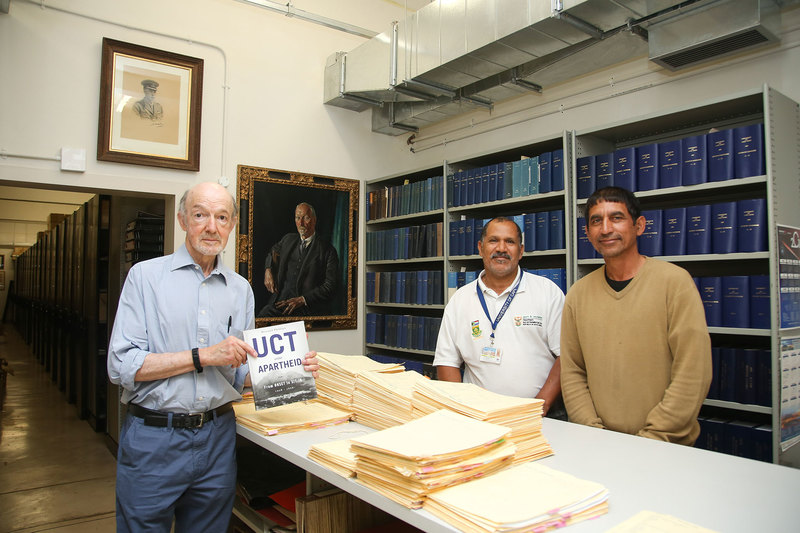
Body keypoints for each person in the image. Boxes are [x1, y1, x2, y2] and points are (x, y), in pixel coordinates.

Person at [107, 182, 320, 533]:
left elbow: (237, 374)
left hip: (218, 438)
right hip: (154, 438)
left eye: (221, 217)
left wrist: (291, 369)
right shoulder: (144, 278)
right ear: (182, 220)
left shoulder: (240, 290)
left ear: (232, 224)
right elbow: (121, 366)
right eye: (200, 215)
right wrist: (202, 356)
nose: (211, 226)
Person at [560, 186, 712, 446]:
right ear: (587, 233)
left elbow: (693, 372)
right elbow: (573, 371)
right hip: (599, 444)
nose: (606, 228)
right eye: (596, 220)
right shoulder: (578, 294)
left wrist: (651, 439)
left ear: (639, 225)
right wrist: (592, 432)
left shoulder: (674, 282)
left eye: (616, 218)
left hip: (664, 446)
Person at [433, 216, 565, 416]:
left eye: (510, 242)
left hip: (537, 415)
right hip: (477, 416)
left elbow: (566, 356)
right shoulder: (460, 299)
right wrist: (460, 410)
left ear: (521, 251)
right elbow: (447, 361)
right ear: (480, 248)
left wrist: (540, 406)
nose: (501, 248)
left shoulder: (547, 292)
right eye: (493, 240)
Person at [258, 202, 338, 317]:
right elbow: (273, 252)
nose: (301, 223)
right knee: (262, 317)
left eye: (306, 218)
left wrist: (302, 300)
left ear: (314, 220)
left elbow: (330, 286)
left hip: (306, 309)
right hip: (279, 304)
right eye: (297, 218)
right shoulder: (288, 240)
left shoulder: (327, 250)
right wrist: (268, 269)